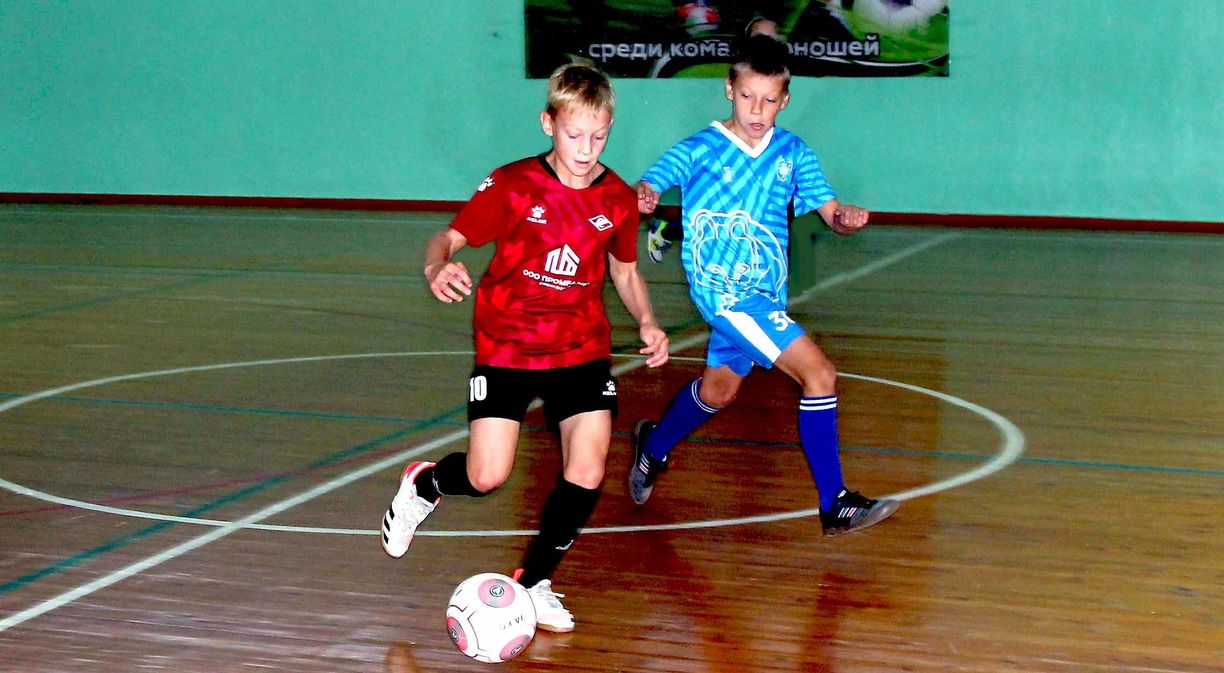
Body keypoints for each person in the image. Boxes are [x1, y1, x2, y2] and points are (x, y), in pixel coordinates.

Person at [380, 63, 669, 633]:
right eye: (573, 135)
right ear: (547, 123)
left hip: (580, 347)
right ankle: (426, 484)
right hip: (507, 344)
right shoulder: (513, 184)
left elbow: (625, 271)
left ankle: (535, 581)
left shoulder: (616, 197)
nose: (585, 150)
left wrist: (648, 321)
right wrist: (437, 265)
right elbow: (449, 237)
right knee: (487, 475)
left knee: (588, 466)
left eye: (598, 137)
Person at [630, 34, 898, 536]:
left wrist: (845, 217)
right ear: (729, 90)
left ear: (785, 99)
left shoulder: (793, 153)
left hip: (765, 296)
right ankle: (835, 502)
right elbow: (654, 180)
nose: (757, 109)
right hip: (724, 295)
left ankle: (653, 446)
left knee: (719, 391)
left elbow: (830, 212)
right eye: (748, 96)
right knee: (819, 375)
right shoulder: (702, 148)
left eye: (769, 100)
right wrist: (645, 192)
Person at [644, 15, 781, 264]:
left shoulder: (778, 77)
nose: (768, 41)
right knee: (719, 209)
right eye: (762, 36)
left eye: (773, 35)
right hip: (728, 152)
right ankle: (667, 228)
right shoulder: (737, 74)